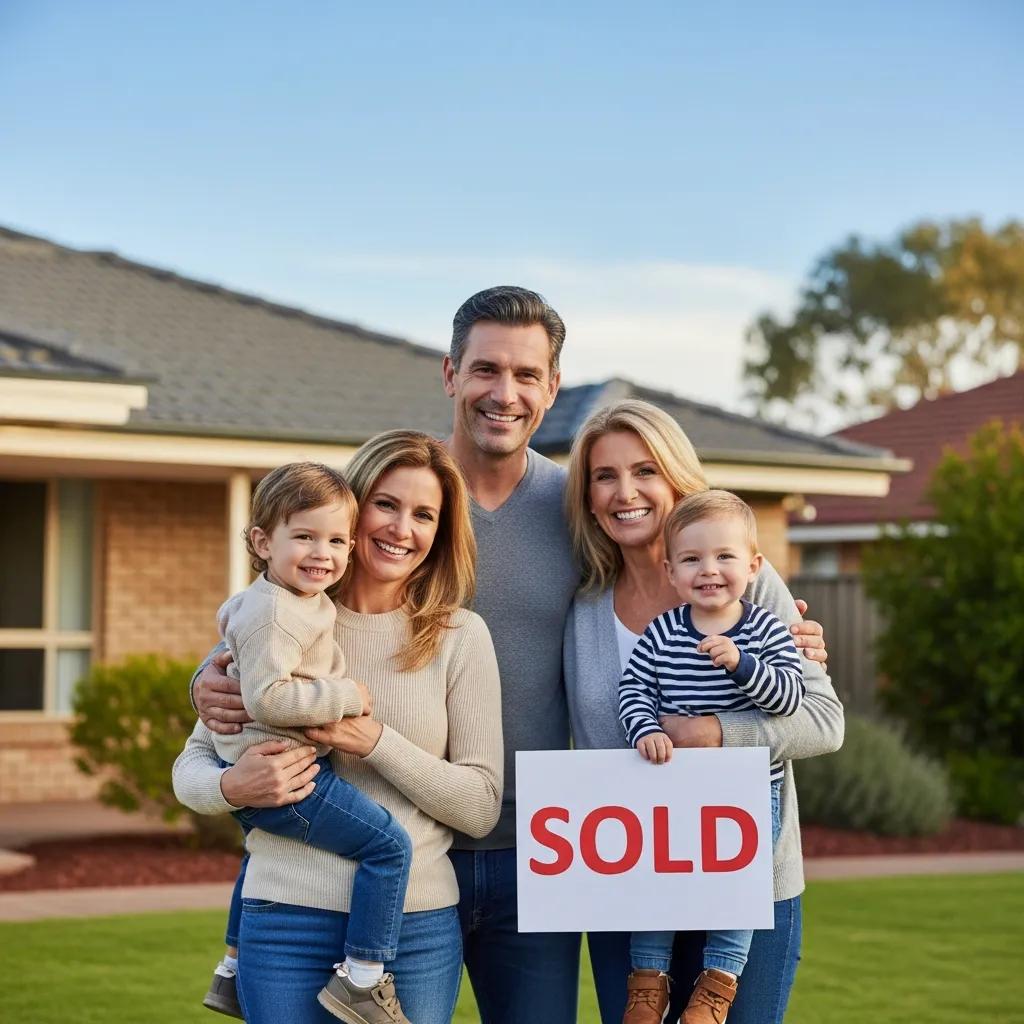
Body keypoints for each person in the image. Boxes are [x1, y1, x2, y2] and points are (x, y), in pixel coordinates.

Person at [193, 287, 830, 1024]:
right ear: (450, 374)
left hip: (544, 850)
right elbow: (284, 602)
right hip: (403, 846)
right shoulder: (392, 499)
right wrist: (209, 676)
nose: (506, 393)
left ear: (552, 388)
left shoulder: (580, 509)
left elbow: (700, 588)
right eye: (487, 369)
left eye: (527, 375)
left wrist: (777, 639)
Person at [173, 430, 503, 1024]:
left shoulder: (460, 637)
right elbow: (192, 764)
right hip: (284, 918)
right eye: (386, 504)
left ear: (440, 531)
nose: (402, 528)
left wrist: (375, 741)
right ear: (353, 509)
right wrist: (231, 788)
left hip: (415, 927)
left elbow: (479, 806)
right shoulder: (284, 614)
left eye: (423, 514)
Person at [563, 399, 844, 1024]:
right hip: (630, 877)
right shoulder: (582, 603)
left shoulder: (747, 583)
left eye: (645, 472)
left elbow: (824, 723)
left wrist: (718, 733)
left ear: (675, 479)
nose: (624, 492)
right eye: (604, 476)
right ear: (586, 496)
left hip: (746, 877)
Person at [199, 461, 414, 1023]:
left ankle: (231, 965)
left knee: (254, 856)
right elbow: (268, 698)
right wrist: (346, 695)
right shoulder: (276, 613)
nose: (324, 552)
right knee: (388, 848)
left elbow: (230, 634)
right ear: (262, 542)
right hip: (285, 775)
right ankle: (363, 980)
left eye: (338, 539)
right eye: (306, 537)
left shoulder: (280, 598)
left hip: (270, 771)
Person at [618, 489, 805, 1024]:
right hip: (670, 788)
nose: (710, 570)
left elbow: (788, 700)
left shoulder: (765, 629)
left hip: (746, 790)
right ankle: (648, 982)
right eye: (693, 559)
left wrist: (742, 664)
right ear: (671, 571)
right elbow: (633, 691)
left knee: (735, 887)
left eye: (725, 557)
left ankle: (717, 986)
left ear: (754, 565)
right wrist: (645, 730)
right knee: (657, 882)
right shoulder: (662, 633)